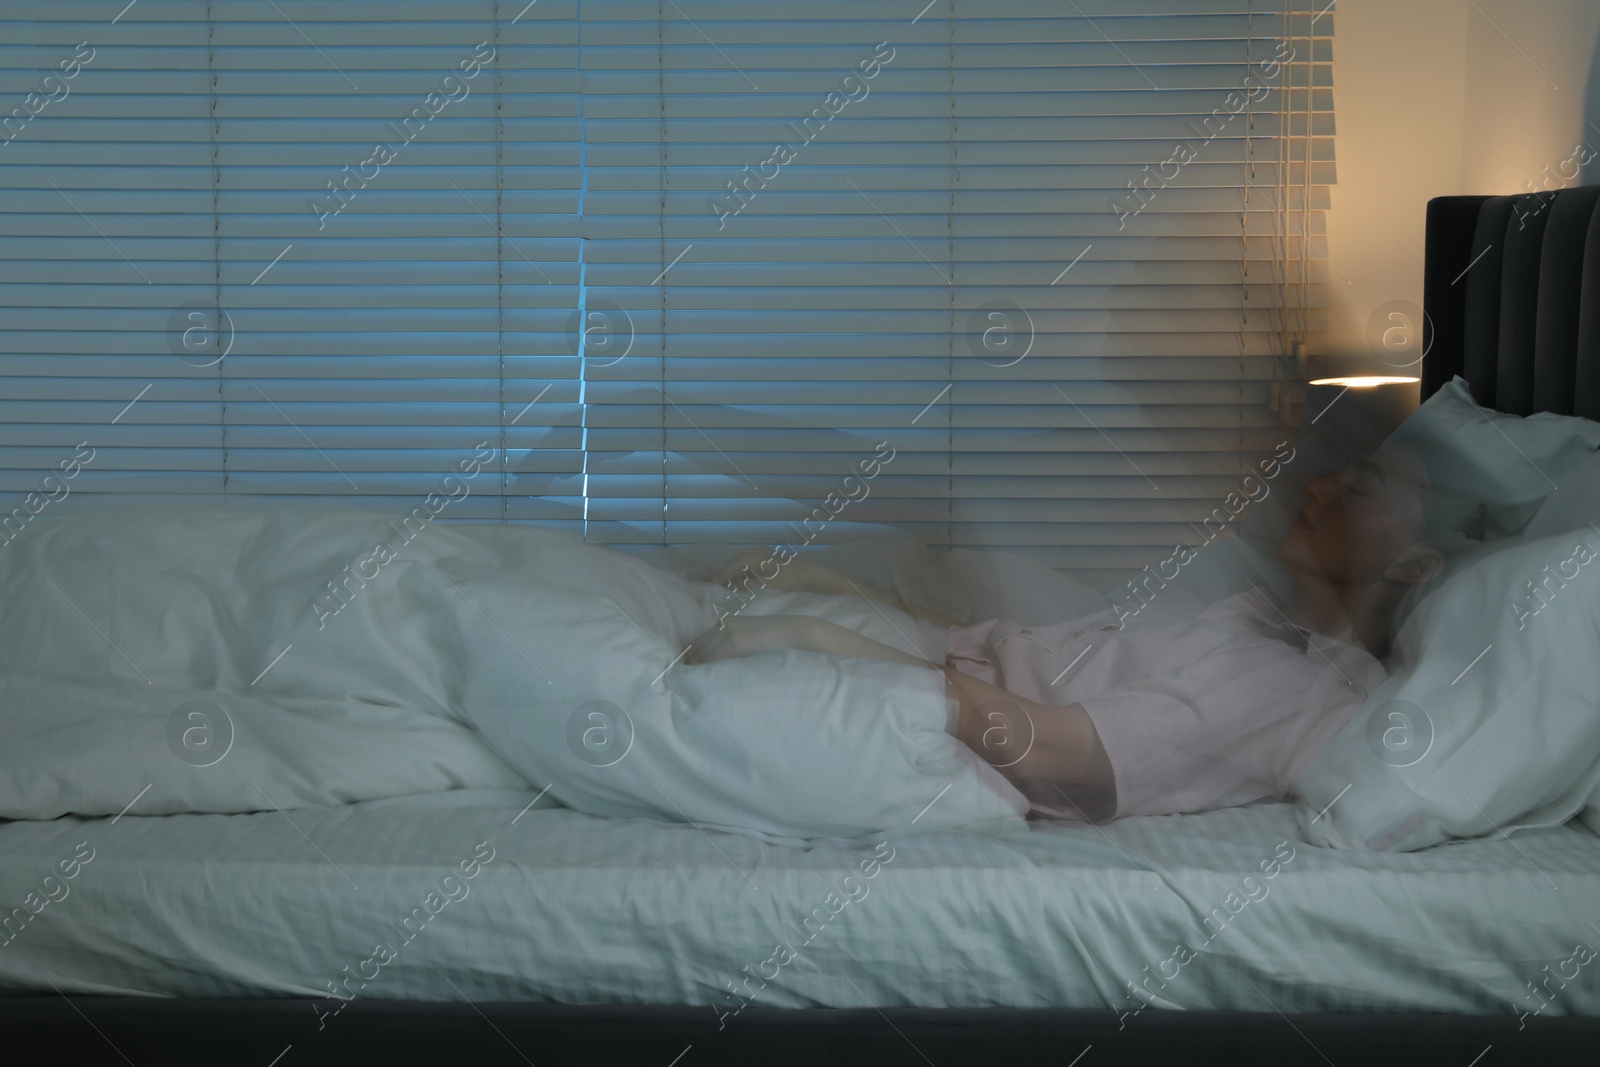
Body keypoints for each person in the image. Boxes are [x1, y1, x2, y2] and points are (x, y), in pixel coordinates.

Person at [683, 442, 1458, 824]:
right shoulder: (1257, 618)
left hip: (939, 721)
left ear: (1418, 562)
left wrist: (825, 641)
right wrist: (838, 594)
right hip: (934, 661)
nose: (1320, 484)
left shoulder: (1297, 684)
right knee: (690, 598)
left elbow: (1051, 749)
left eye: (1360, 489)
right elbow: (1050, 655)